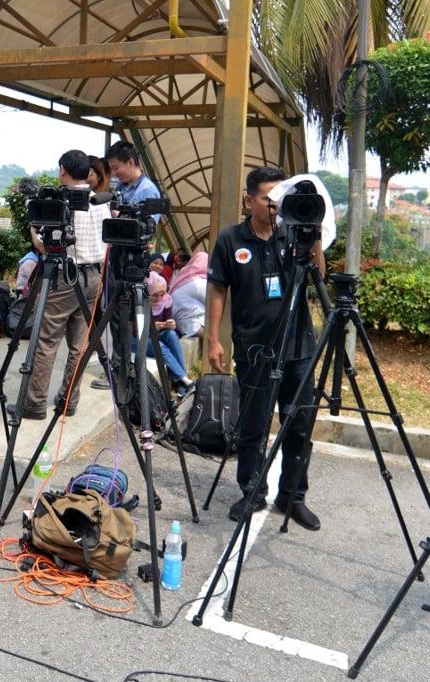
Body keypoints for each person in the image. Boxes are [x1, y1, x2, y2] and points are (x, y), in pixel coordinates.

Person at [207, 166, 324, 530]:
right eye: (267, 198)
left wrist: (314, 236)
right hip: (254, 349)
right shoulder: (231, 240)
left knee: (299, 424)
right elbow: (218, 289)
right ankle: (253, 491)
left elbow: (318, 276)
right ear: (248, 200)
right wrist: (214, 339)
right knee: (254, 425)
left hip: (299, 347)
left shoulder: (293, 234)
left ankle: (293, 496)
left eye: (279, 199)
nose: (274, 206)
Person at [22, 149, 107, 420]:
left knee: (47, 341)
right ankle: (68, 401)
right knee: (79, 345)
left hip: (64, 277)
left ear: (63, 170)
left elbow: (44, 246)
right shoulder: (100, 202)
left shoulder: (62, 204)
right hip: (93, 276)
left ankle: (35, 404)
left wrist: (33, 228)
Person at [92, 140, 164, 390]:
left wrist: (119, 219)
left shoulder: (147, 191)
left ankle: (121, 372)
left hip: (132, 262)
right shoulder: (122, 187)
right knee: (116, 317)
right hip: (117, 258)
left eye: (116, 168)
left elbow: (145, 230)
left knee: (125, 318)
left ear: (131, 162)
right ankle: (120, 367)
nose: (113, 174)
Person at [145, 272, 193, 396]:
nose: (159, 298)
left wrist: (170, 324)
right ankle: (184, 381)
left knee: (171, 334)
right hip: (140, 339)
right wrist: (151, 328)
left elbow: (168, 319)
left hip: (157, 333)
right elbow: (136, 331)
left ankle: (181, 382)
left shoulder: (166, 300)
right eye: (155, 295)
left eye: (162, 294)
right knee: (160, 346)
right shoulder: (143, 302)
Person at [169, 251, 208, 337]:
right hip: (193, 327)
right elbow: (212, 300)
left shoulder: (184, 277)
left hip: (181, 324)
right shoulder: (197, 282)